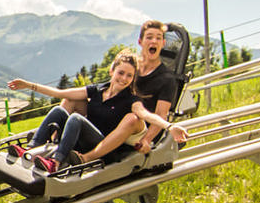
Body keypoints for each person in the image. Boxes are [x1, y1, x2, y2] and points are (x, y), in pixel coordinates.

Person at [7, 48, 183, 173]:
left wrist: (169, 127)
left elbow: (146, 115)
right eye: (121, 73)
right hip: (84, 139)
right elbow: (60, 93)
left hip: (104, 147)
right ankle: (30, 149)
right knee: (58, 111)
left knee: (75, 118)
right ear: (112, 71)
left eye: (129, 76)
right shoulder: (98, 90)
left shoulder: (131, 100)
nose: (124, 79)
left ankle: (56, 162)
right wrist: (28, 85)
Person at [71, 20, 183, 164]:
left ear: (163, 43)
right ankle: (51, 141)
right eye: (149, 37)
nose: (153, 41)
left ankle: (86, 158)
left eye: (158, 38)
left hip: (135, 128)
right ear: (140, 41)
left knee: (132, 118)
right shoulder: (130, 68)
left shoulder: (167, 79)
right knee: (73, 100)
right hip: (114, 115)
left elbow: (161, 114)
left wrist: (146, 139)